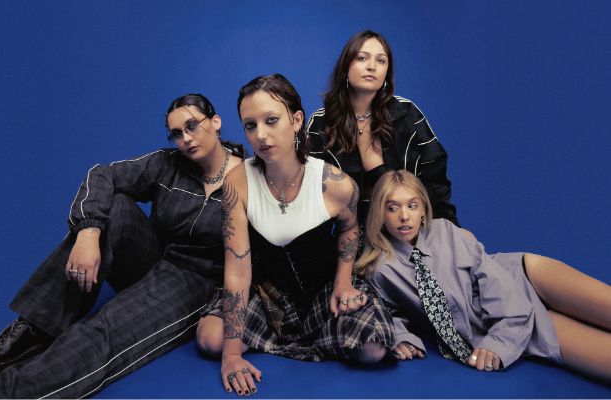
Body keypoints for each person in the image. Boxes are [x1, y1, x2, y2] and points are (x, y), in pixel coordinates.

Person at [0, 94, 245, 398]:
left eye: (192, 126)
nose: (186, 139)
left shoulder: (248, 180)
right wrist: (88, 231)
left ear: (216, 122)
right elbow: (103, 174)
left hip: (196, 282)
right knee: (116, 207)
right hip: (154, 257)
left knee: (105, 328)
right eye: (176, 133)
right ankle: (34, 332)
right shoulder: (167, 164)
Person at [195, 74, 395, 397]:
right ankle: (303, 341)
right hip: (267, 297)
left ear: (297, 120)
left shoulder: (336, 184)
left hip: (323, 295)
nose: (261, 135)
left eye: (272, 120)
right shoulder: (237, 183)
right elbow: (238, 270)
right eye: (250, 126)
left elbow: (350, 229)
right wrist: (231, 356)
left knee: (372, 349)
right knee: (211, 339)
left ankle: (313, 335)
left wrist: (344, 282)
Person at [356, 169, 611, 383]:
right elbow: (390, 313)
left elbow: (490, 277)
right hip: (502, 322)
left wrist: (499, 341)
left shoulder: (445, 231)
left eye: (412, 205)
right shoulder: (379, 269)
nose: (404, 216)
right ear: (380, 213)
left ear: (423, 209)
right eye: (393, 208)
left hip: (523, 281)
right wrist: (402, 338)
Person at [308, 30, 460, 230]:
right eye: (362, 58)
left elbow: (436, 178)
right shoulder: (321, 123)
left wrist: (450, 228)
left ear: (387, 73)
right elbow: (313, 194)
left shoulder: (406, 114)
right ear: (345, 67)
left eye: (381, 61)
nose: (372, 66)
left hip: (409, 231)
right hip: (352, 236)